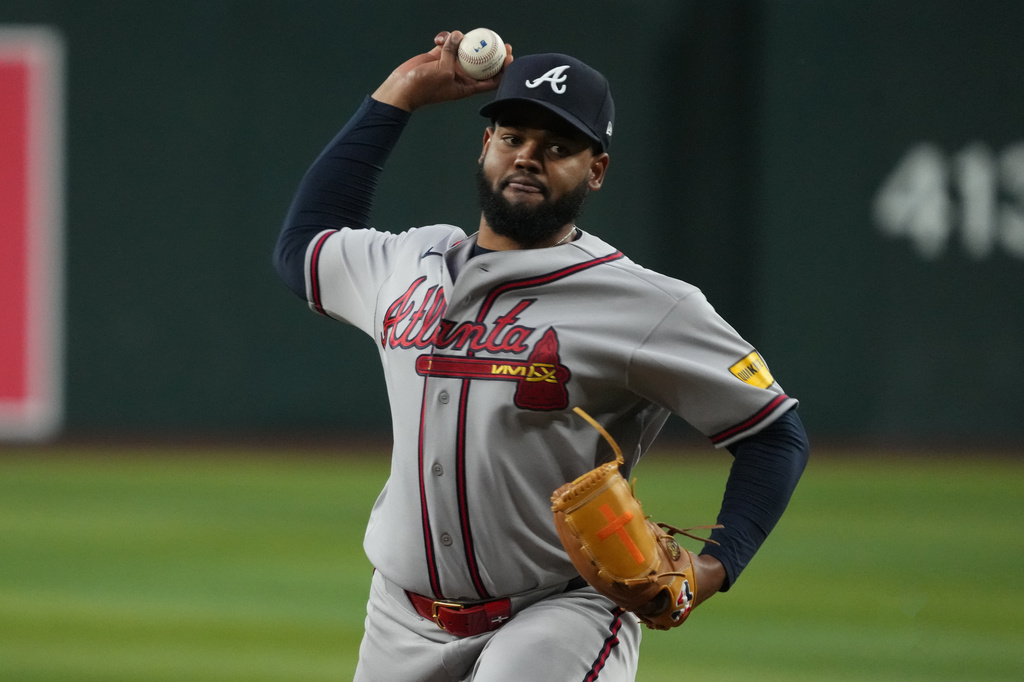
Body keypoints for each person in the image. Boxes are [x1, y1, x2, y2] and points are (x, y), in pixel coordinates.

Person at [273, 30, 809, 682]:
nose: (528, 157)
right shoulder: (409, 264)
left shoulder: (645, 304)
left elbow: (775, 434)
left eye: (557, 147)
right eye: (512, 137)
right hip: (400, 618)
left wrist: (713, 565)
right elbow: (306, 244)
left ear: (597, 169)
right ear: (486, 146)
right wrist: (400, 95)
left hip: (558, 612)